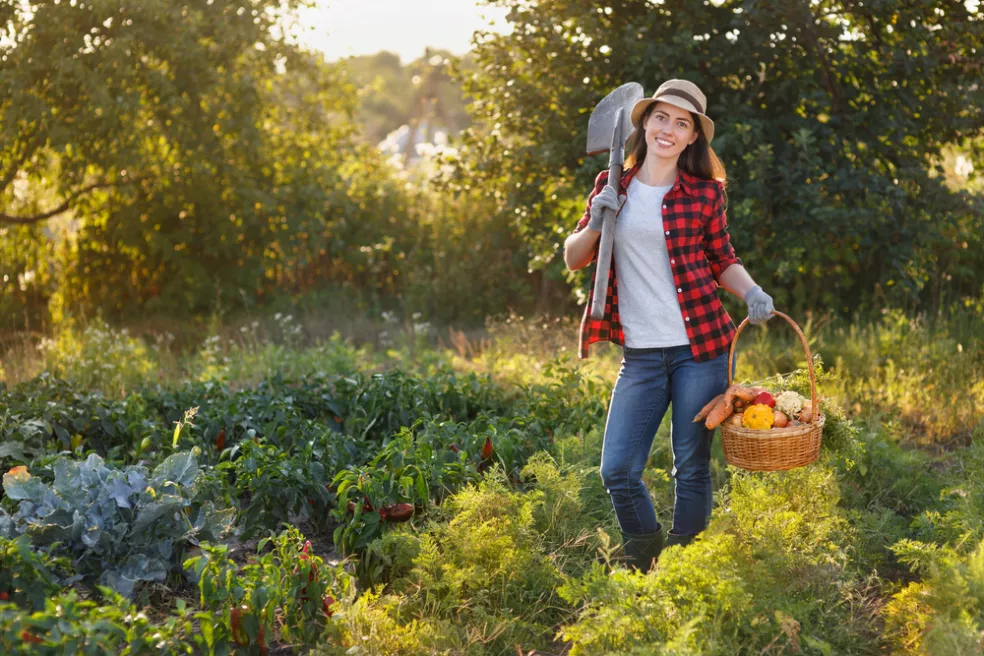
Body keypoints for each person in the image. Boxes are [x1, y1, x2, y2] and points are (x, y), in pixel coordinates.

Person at [562, 79, 775, 573]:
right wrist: (596, 220)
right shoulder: (611, 183)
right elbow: (575, 259)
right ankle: (646, 555)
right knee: (616, 469)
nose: (669, 129)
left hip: (700, 347)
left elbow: (722, 259)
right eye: (662, 117)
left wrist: (753, 292)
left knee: (691, 467)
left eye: (682, 123)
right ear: (644, 121)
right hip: (640, 354)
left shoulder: (704, 194)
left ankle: (685, 570)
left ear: (692, 138)